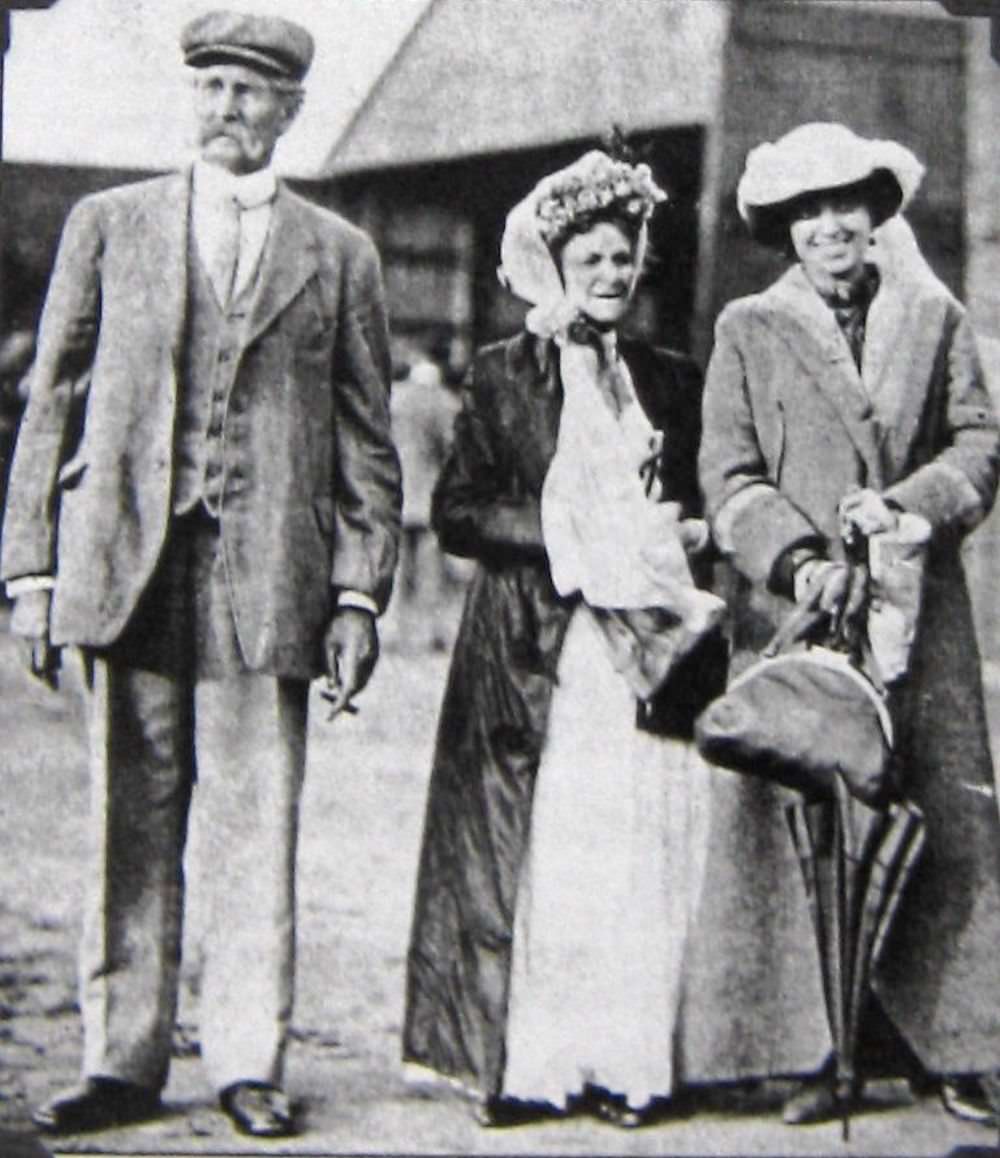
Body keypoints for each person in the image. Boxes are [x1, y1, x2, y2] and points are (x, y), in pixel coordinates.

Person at [0, 10, 401, 1140]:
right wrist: (31, 568)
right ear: (190, 98)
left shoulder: (340, 254)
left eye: (252, 92)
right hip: (127, 564)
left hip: (270, 575)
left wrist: (361, 593)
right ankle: (118, 1060)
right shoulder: (108, 225)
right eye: (212, 87)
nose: (229, 108)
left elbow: (368, 439)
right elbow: (53, 403)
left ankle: (246, 1059)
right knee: (129, 815)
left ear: (291, 109)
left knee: (254, 822)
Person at [403, 149, 726, 1127]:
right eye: (590, 256)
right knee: (546, 848)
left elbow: (697, 496)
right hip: (537, 649)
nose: (610, 274)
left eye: (623, 257)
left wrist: (683, 533)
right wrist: (565, 537)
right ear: (554, 263)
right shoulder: (505, 375)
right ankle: (531, 1067)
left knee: (634, 846)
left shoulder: (672, 378)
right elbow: (457, 510)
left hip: (641, 649)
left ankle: (627, 1067)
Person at [690, 121, 1000, 1128]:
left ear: (876, 214)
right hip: (798, 616)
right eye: (808, 210)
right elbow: (727, 474)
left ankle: (958, 1044)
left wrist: (913, 503)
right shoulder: (749, 327)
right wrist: (798, 557)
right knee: (809, 822)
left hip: (923, 612)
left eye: (847, 204)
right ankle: (814, 1047)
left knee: (946, 815)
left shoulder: (933, 315)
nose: (830, 225)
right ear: (784, 227)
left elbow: (981, 441)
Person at [387, 352, 460, 651]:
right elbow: (453, 447)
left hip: (396, 494)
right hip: (431, 495)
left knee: (396, 568)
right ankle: (430, 631)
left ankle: (391, 630)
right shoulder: (444, 402)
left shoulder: (395, 400)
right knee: (431, 573)